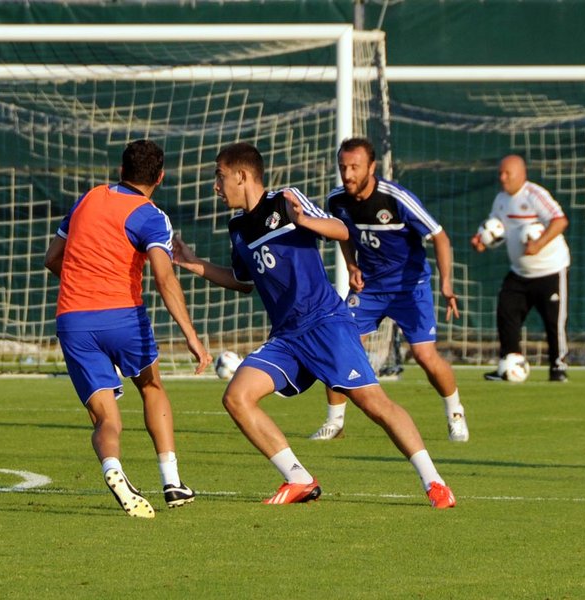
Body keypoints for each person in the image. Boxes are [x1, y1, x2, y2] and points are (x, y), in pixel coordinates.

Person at [173, 142, 455, 509]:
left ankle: (435, 482)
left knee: (374, 404)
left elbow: (342, 230)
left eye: (220, 176)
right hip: (287, 337)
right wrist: (194, 264)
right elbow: (243, 281)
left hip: (325, 324)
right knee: (237, 397)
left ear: (241, 176)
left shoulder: (285, 201)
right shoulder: (238, 227)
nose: (215, 185)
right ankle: (299, 478)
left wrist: (304, 221)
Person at [44, 139, 212, 519]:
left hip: (73, 320)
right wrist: (192, 336)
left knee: (106, 418)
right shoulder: (151, 216)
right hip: (123, 317)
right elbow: (164, 278)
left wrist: (83, 282)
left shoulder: (87, 199)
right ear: (161, 177)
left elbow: (53, 258)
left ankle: (113, 468)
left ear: (121, 171)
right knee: (151, 387)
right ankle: (172, 481)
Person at [309, 138, 468, 443]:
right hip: (369, 288)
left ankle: (455, 413)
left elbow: (440, 236)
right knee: (340, 345)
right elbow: (342, 234)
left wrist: (446, 282)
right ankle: (335, 422)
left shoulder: (396, 198)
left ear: (372, 167)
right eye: (343, 167)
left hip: (409, 288)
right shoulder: (337, 201)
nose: (348, 174)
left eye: (355, 167)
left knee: (424, 355)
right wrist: (352, 266)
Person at [471, 154, 570, 382]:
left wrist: (539, 244)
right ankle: (508, 365)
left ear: (522, 174)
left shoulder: (534, 195)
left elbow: (559, 220)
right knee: (506, 313)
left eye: (508, 173)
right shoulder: (501, 199)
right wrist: (482, 240)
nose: (503, 178)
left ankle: (558, 368)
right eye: (500, 173)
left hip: (551, 270)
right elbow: (495, 228)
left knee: (554, 322)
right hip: (519, 272)